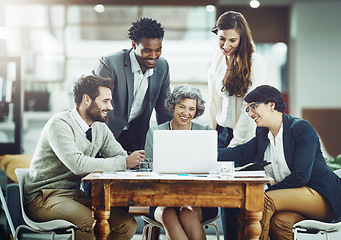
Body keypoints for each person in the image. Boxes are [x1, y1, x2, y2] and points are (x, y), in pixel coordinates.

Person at [218, 85, 341, 240]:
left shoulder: (301, 128)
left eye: (254, 106)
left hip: (321, 197)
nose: (250, 113)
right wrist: (207, 154)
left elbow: (301, 177)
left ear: (271, 105)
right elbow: (239, 153)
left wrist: (268, 190)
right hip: (292, 200)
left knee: (263, 201)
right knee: (280, 223)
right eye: (248, 109)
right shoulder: (263, 133)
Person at [24, 75, 145, 240]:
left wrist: (127, 161)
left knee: (126, 224)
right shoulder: (59, 124)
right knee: (90, 224)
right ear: (87, 99)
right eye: (105, 101)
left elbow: (119, 155)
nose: (110, 107)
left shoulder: (99, 128)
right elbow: (78, 164)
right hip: (44, 197)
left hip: (74, 194)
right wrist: (124, 162)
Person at [208, 10, 267, 239]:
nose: (225, 45)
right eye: (221, 38)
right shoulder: (217, 58)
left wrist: (234, 145)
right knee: (225, 196)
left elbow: (249, 109)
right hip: (222, 133)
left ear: (242, 37)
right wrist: (210, 134)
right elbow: (213, 100)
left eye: (232, 40)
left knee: (240, 198)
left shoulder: (255, 62)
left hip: (246, 136)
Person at [144, 84, 218, 240]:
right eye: (181, 107)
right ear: (173, 106)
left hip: (199, 199)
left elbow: (211, 171)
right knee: (167, 214)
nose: (186, 113)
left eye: (191, 109)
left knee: (187, 213)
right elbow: (149, 170)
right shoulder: (156, 132)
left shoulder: (204, 132)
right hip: (162, 198)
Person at [92, 17, 172, 153]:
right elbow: (95, 105)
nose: (153, 56)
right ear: (134, 45)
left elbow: (165, 109)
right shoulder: (110, 64)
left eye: (158, 50)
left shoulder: (162, 66)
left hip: (137, 134)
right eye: (147, 50)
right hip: (108, 132)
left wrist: (171, 140)